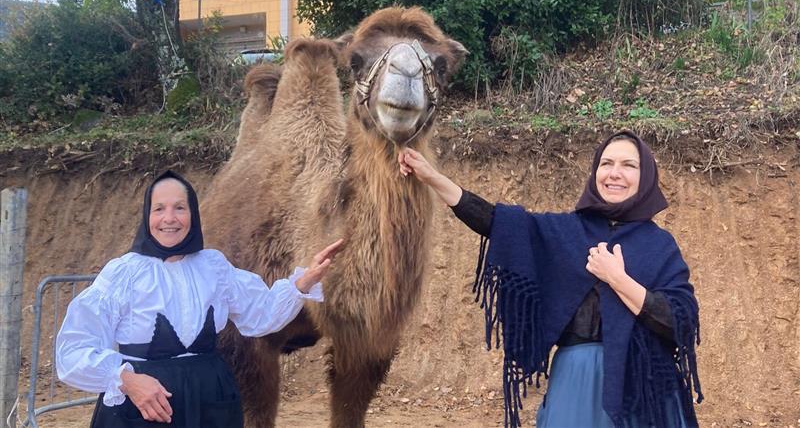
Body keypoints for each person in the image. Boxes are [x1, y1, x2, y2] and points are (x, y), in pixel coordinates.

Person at [398, 131, 702, 428]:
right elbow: (495, 221)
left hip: (647, 385)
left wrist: (618, 279)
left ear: (645, 176)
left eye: (628, 165)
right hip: (577, 380)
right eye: (606, 163)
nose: (614, 173)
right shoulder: (565, 232)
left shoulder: (660, 246)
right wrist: (432, 177)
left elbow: (681, 321)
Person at [56, 170, 343, 428]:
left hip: (212, 405)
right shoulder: (124, 274)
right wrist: (127, 381)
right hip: (144, 409)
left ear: (192, 215)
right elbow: (73, 349)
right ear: (147, 216)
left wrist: (303, 282)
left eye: (179, 208)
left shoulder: (213, 267)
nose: (169, 218)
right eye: (159, 209)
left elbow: (261, 315)